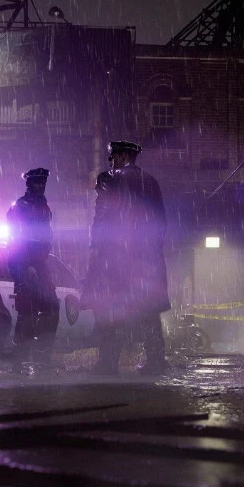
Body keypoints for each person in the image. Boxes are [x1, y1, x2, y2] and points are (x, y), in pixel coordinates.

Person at [83, 141, 171, 376]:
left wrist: (96, 250)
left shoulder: (110, 178)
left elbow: (102, 219)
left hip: (117, 259)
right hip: (148, 261)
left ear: (121, 157)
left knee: (111, 311)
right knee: (149, 312)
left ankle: (108, 363)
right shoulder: (151, 181)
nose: (111, 162)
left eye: (112, 157)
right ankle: (156, 362)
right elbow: (161, 222)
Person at [5, 168, 60, 370]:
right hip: (23, 263)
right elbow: (17, 240)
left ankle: (42, 357)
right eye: (38, 182)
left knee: (51, 307)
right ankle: (19, 361)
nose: (41, 186)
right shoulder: (21, 207)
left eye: (43, 182)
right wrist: (26, 264)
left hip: (38, 263)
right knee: (27, 313)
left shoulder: (43, 206)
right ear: (30, 184)